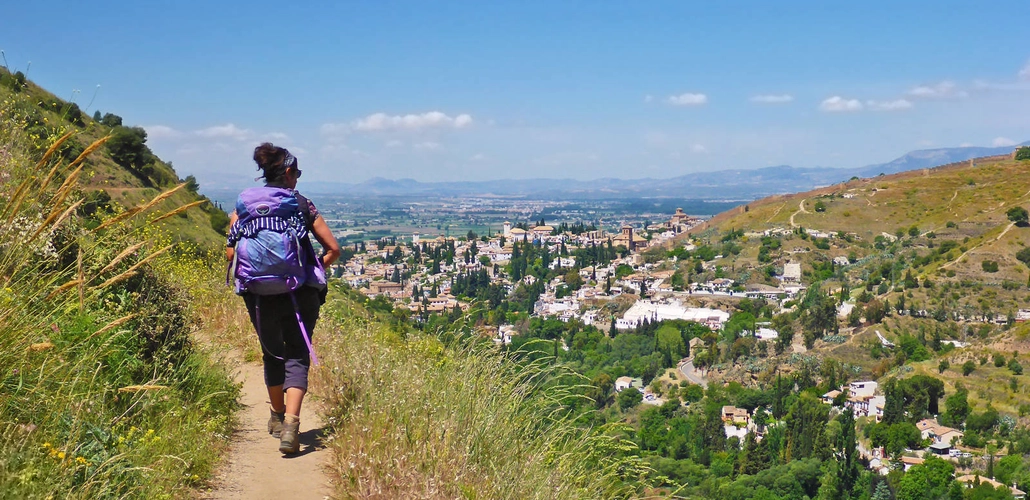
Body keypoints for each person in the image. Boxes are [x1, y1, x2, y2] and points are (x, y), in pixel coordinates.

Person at [226, 143, 340, 454]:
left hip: (259, 294)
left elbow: (230, 251)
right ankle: (291, 425)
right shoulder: (302, 205)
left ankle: (276, 416)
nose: (298, 179)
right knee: (298, 354)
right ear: (288, 173)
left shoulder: (243, 207)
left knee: (272, 353)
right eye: (297, 173)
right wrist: (307, 269)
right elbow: (333, 249)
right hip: (300, 293)